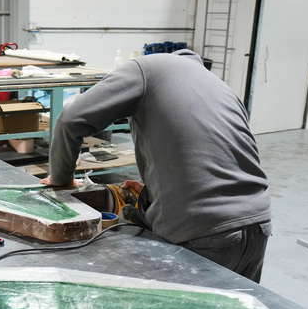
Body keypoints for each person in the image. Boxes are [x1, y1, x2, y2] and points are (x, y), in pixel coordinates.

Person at [42, 49, 272, 283]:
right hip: (258, 223)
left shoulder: (144, 69)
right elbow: (212, 161)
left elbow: (70, 119)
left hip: (200, 230)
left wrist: (61, 179)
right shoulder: (219, 86)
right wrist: (153, 192)